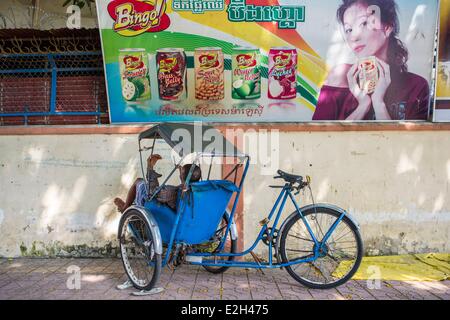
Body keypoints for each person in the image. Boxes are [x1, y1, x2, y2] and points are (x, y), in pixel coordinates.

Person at [312, 0, 430, 121]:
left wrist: (378, 104)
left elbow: (406, 140)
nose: (354, 37)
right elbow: (318, 136)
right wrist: (363, 106)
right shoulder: (340, 77)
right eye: (349, 30)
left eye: (363, 23)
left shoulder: (417, 86)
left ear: (387, 27)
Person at [114, 154, 201, 213]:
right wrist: (182, 174)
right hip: (189, 220)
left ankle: (125, 208)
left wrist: (150, 167)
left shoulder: (172, 192)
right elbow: (187, 183)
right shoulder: (201, 192)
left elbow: (152, 192)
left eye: (181, 173)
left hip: (159, 209)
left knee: (139, 181)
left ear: (182, 176)